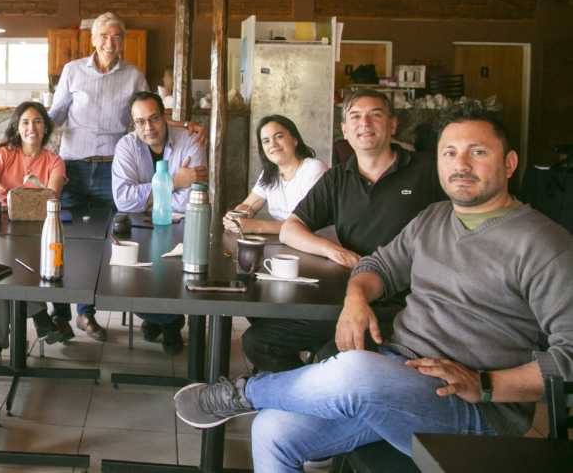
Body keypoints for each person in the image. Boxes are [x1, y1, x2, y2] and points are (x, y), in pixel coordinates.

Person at [174, 102, 573, 472]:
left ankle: (244, 392)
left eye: (478, 152)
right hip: (398, 375)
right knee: (271, 430)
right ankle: (257, 398)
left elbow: (569, 357)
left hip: (476, 409)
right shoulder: (434, 217)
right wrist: (356, 297)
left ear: (509, 163)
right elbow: (378, 265)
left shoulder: (543, 243)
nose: (461, 165)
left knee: (356, 370)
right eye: (449, 153)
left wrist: (485, 385)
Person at [242, 89, 446, 373]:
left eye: (375, 115)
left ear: (392, 125)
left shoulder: (428, 169)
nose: (365, 123)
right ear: (345, 130)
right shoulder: (337, 178)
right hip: (352, 295)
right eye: (355, 117)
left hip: (408, 304)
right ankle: (306, 391)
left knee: (332, 360)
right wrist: (333, 250)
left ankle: (300, 388)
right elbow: (291, 229)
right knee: (257, 342)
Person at [48, 12, 204, 341]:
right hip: (73, 167)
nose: (110, 42)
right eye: (104, 35)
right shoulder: (73, 70)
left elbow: (147, 113)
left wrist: (184, 125)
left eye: (117, 36)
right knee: (66, 238)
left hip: (112, 169)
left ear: (123, 41)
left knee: (106, 241)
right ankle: (59, 315)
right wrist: (22, 135)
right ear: (93, 39)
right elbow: (56, 115)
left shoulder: (133, 75)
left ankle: (86, 313)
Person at [111, 91, 207, 354]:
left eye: (154, 118)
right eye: (140, 121)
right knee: (127, 281)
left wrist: (149, 198)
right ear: (133, 123)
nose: (148, 127)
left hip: (182, 228)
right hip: (138, 228)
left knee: (176, 277)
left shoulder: (191, 140)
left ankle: (158, 318)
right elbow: (124, 200)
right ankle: (168, 320)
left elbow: (191, 199)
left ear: (165, 117)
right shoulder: (126, 146)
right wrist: (175, 181)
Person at [0, 102, 71, 345]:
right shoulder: (3, 154)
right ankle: (40, 318)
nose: (32, 127)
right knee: (2, 269)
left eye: (37, 121)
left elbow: (52, 198)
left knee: (13, 268)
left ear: (46, 127)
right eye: (25, 122)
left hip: (38, 229)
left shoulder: (55, 161)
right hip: (2, 228)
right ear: (17, 128)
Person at [223, 115, 328, 235]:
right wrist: (235, 217)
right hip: (288, 241)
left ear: (295, 140)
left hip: (319, 241)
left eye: (279, 137)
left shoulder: (314, 170)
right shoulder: (271, 173)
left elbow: (306, 223)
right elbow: (249, 206)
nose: (272, 144)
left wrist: (256, 226)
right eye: (266, 141)